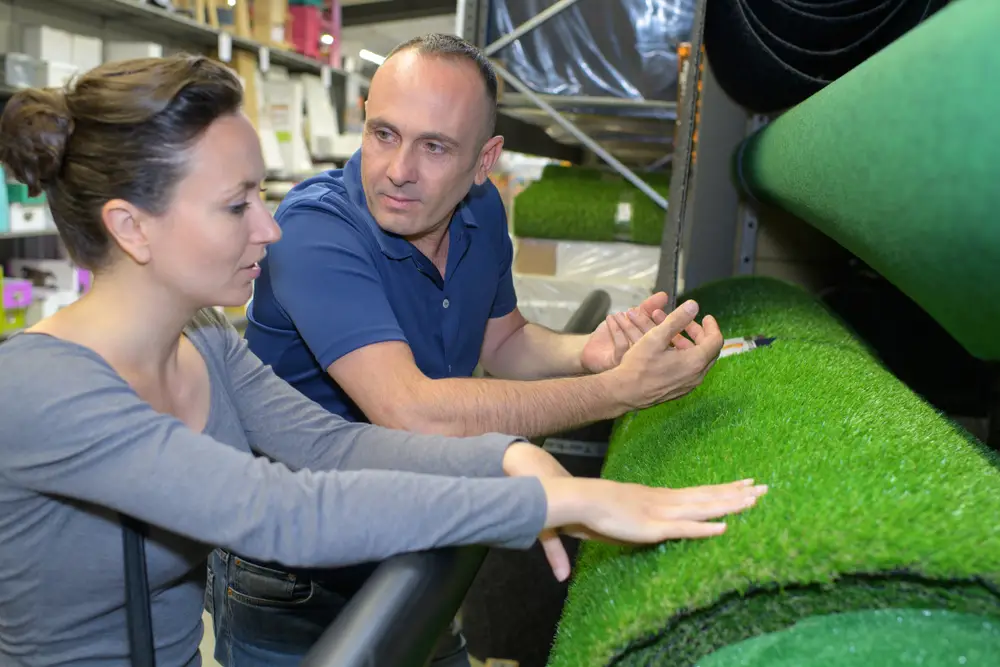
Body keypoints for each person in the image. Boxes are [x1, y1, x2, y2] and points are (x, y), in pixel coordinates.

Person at [0, 54, 766, 667]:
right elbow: (281, 511)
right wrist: (553, 501)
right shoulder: (43, 390)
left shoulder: (204, 342)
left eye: (260, 194)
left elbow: (333, 446)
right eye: (238, 205)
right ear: (132, 228)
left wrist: (507, 458)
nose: (270, 228)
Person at [214, 33, 729, 667]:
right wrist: (614, 392)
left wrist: (588, 353)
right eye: (383, 134)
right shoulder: (314, 233)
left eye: (434, 147)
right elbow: (411, 411)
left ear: (484, 161)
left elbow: (504, 340)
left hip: (413, 527)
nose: (399, 169)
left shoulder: (480, 211)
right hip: (298, 577)